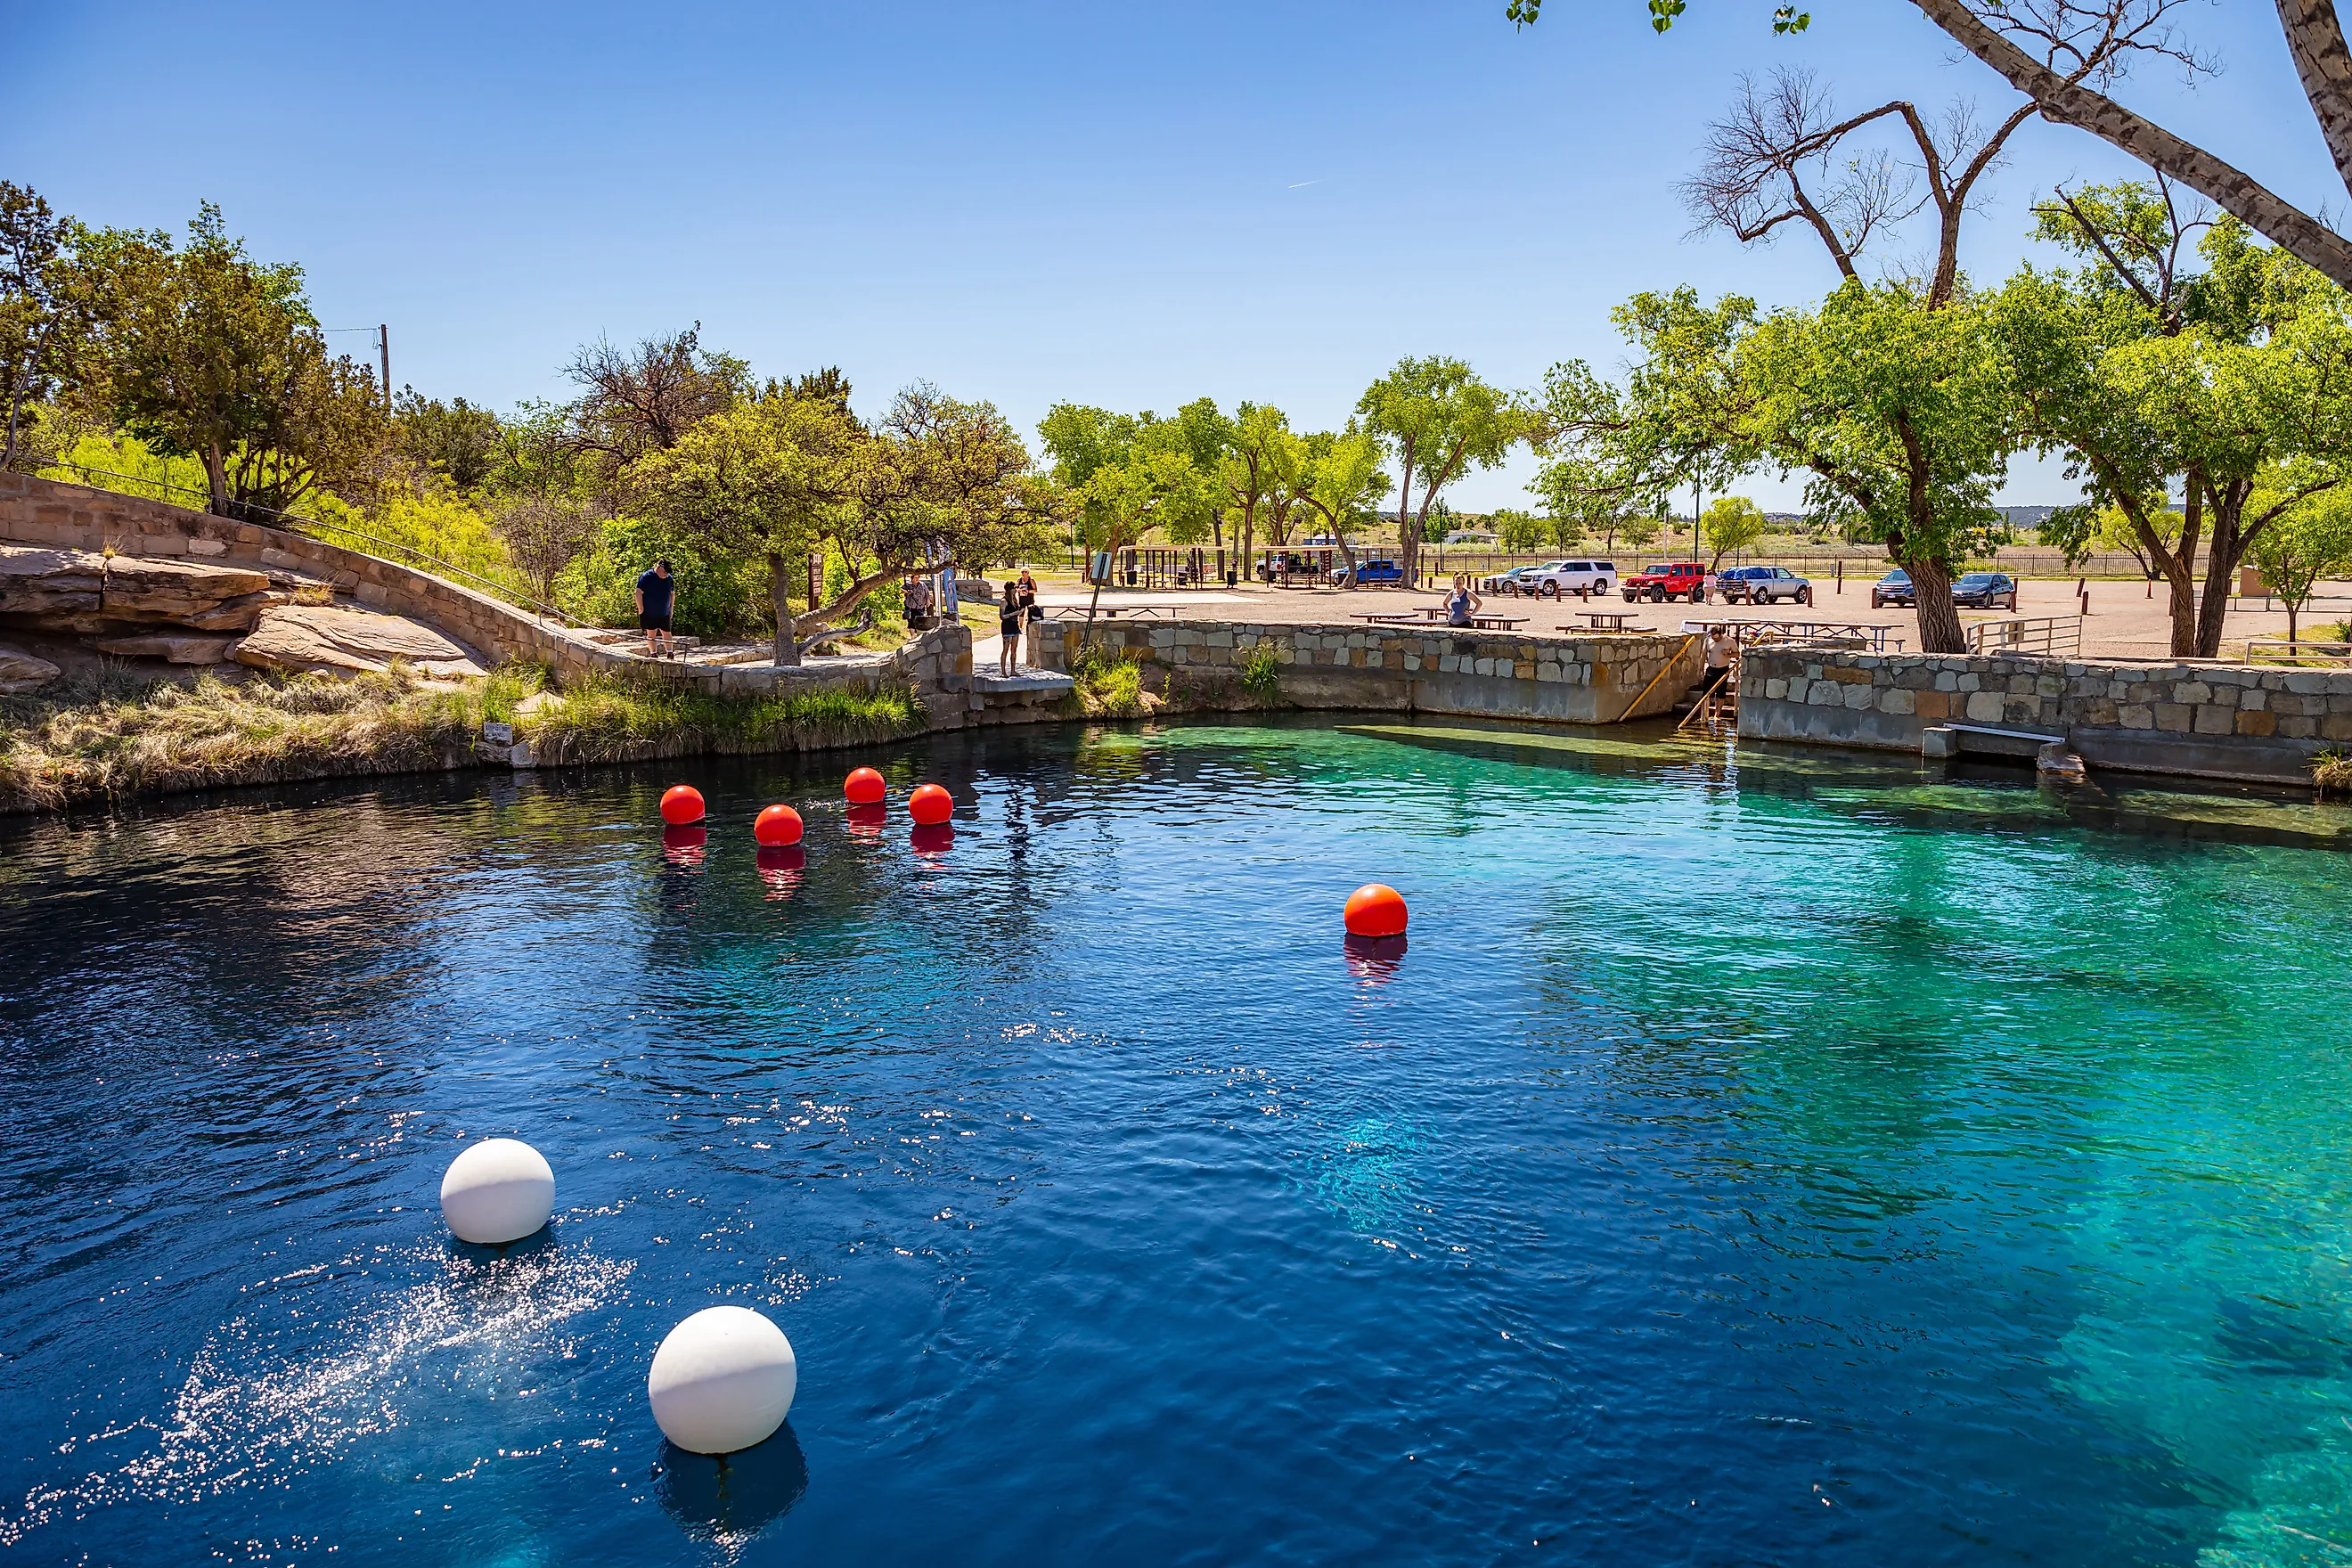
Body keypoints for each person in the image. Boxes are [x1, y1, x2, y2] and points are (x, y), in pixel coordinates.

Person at [635, 559, 676, 659]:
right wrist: (641, 609)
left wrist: (671, 609)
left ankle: (670, 653)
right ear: (659, 567)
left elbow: (672, 594)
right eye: (665, 571)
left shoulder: (669, 579)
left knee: (666, 632)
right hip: (650, 612)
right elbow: (638, 593)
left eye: (668, 572)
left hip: (664, 612)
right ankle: (653, 653)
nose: (666, 574)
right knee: (651, 632)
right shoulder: (646, 577)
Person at [1697, 624, 1736, 698]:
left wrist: (1728, 655)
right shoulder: (1708, 640)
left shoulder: (1729, 641)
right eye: (1713, 638)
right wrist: (1701, 669)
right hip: (1711, 668)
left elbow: (1737, 654)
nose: (1715, 640)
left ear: (1721, 634)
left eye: (1717, 639)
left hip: (1723, 668)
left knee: (1720, 693)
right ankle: (1705, 708)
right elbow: (1703, 655)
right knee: (1706, 691)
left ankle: (1718, 709)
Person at [999, 579, 1024, 676]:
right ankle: (1003, 672)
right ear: (1010, 589)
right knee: (1005, 649)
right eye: (1014, 588)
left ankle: (1013, 671)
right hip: (1007, 626)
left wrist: (1020, 612)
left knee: (1014, 649)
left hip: (1015, 626)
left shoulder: (1014, 600)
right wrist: (1014, 613)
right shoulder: (1004, 601)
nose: (1016, 590)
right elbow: (1002, 616)